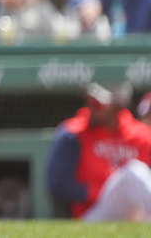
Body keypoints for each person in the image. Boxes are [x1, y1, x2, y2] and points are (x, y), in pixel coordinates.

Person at [46, 83, 151, 220]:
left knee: (135, 172)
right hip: (93, 214)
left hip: (138, 213)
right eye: (89, 101)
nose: (91, 107)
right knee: (132, 172)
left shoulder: (143, 136)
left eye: (97, 103)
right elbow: (57, 185)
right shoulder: (72, 134)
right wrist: (99, 191)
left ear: (118, 106)